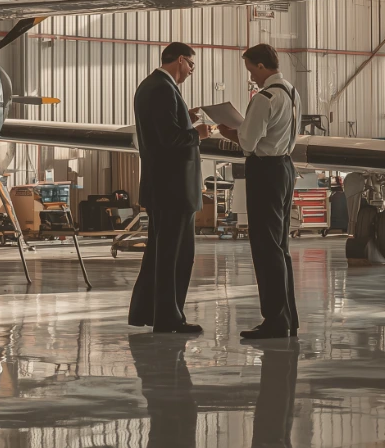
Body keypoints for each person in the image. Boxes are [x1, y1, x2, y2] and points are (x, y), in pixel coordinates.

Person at [127, 42, 211, 334]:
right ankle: (169, 317)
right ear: (180, 60)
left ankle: (147, 311)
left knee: (160, 252)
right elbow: (170, 140)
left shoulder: (150, 86)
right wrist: (197, 133)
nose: (191, 71)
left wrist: (185, 118)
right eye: (191, 65)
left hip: (162, 185)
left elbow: (162, 129)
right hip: (174, 187)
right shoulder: (163, 88)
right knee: (175, 255)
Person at [217, 44, 299, 340]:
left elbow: (249, 143)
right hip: (286, 168)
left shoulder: (264, 98)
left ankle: (275, 320)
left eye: (251, 69)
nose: (251, 76)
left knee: (265, 247)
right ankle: (288, 316)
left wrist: (230, 132)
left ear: (262, 66)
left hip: (264, 171)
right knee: (280, 246)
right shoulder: (291, 92)